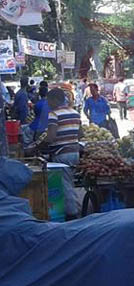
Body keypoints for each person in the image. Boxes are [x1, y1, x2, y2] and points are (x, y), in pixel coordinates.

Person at [37, 88, 82, 219]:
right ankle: (74, 209)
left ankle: (72, 214)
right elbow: (81, 134)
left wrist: (39, 145)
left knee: (65, 185)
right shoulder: (75, 112)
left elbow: (51, 137)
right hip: (75, 152)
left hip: (61, 153)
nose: (48, 104)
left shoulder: (54, 114)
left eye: (49, 101)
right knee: (69, 181)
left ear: (55, 100)